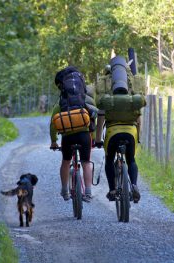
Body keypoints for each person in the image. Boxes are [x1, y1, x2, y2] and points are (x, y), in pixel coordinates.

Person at [94, 56, 146, 203]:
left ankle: (112, 189)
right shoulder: (133, 92)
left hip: (112, 133)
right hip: (130, 132)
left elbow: (101, 117)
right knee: (131, 160)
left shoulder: (106, 91)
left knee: (109, 160)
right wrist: (139, 137)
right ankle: (134, 185)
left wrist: (98, 139)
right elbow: (138, 118)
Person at [50, 66, 96, 202]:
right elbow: (93, 121)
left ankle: (64, 190)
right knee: (86, 162)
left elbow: (53, 124)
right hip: (84, 136)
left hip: (68, 137)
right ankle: (88, 192)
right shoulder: (86, 100)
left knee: (66, 161)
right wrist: (93, 138)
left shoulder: (60, 103)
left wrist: (53, 141)